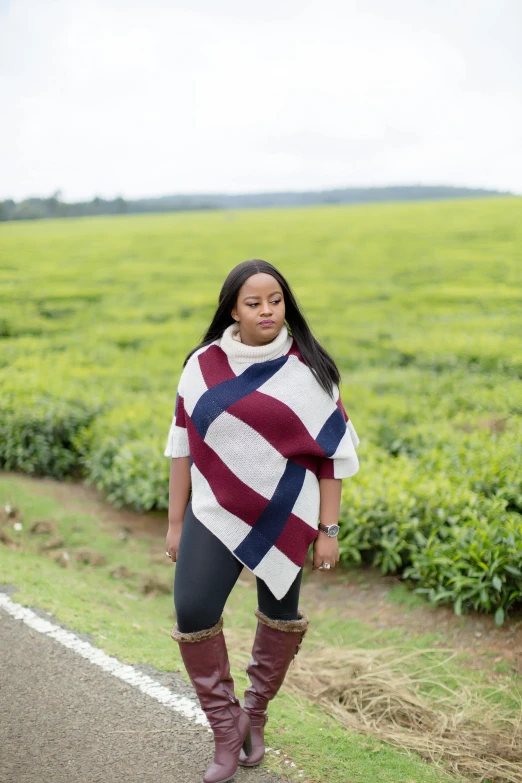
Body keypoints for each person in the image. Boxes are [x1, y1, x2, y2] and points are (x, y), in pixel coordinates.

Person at [164, 259, 359, 783]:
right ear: (234, 308)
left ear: (285, 302)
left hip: (287, 514)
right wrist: (176, 522)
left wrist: (329, 531)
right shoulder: (201, 365)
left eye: (275, 300)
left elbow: (332, 458)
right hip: (213, 509)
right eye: (254, 302)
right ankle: (226, 730)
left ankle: (256, 712)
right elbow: (181, 447)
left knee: (280, 615)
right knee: (192, 611)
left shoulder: (310, 369)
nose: (266, 310)